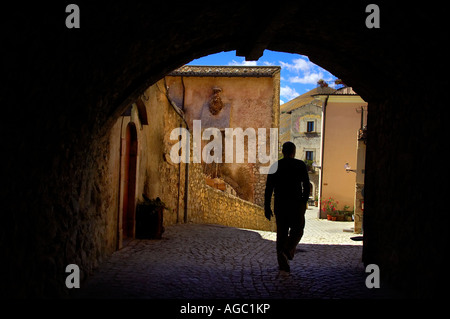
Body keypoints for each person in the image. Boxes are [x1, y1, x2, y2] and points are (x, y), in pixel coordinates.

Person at [264, 141, 310, 272]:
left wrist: (267, 207)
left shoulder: (275, 166)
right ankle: (287, 249)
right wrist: (303, 202)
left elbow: (268, 189)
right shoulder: (300, 165)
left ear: (283, 152)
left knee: (282, 233)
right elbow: (306, 186)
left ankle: (282, 262)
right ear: (293, 152)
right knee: (298, 230)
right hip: (296, 204)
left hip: (280, 204)